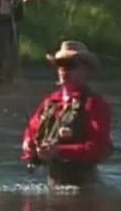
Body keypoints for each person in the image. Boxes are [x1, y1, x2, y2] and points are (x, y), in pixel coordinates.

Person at [21, 41, 112, 186]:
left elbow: (100, 149)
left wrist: (59, 151)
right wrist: (29, 145)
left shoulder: (94, 104)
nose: (64, 70)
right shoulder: (50, 102)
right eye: (60, 65)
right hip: (53, 185)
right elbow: (31, 131)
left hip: (85, 189)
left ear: (86, 70)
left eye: (71, 65)